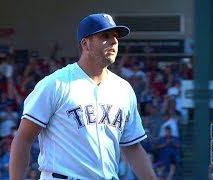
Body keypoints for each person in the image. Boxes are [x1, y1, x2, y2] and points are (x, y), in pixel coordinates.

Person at [9, 13, 157, 180]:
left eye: (116, 36)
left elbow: (132, 148)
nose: (114, 41)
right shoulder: (56, 84)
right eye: (105, 36)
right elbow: (24, 138)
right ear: (86, 44)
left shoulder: (124, 90)